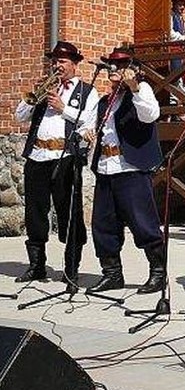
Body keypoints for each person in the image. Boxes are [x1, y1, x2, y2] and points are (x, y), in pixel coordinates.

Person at [80, 48, 166, 294]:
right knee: (104, 224)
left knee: (143, 223)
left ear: (133, 68)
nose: (114, 70)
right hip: (106, 168)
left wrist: (135, 86)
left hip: (131, 167)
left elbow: (150, 115)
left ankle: (158, 273)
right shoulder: (105, 101)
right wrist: (84, 131)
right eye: (112, 66)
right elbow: (88, 123)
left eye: (121, 65)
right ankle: (112, 273)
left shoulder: (142, 90)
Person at [14, 41, 98, 286]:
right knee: (35, 213)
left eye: (62, 62)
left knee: (69, 213)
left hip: (66, 157)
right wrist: (34, 96)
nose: (57, 66)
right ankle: (36, 266)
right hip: (38, 157)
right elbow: (20, 119)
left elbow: (89, 123)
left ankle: (71, 269)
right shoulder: (44, 89)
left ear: (74, 64)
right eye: (54, 61)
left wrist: (63, 109)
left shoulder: (86, 91)